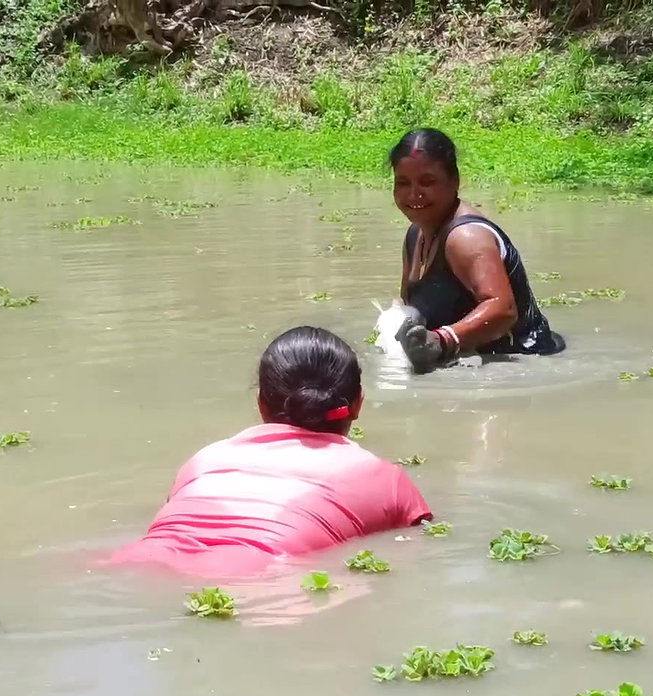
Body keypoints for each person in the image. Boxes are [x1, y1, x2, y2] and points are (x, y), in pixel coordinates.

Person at [107, 326, 432, 578]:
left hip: (133, 562)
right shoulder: (383, 478)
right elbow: (420, 547)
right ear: (358, 404)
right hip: (265, 580)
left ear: (261, 402)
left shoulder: (204, 460)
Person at [389, 127, 566, 373]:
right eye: (403, 183)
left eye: (428, 182)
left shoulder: (466, 237)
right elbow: (408, 301)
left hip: (524, 363)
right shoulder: (415, 234)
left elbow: (503, 310)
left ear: (455, 182)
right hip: (472, 361)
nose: (414, 194)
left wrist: (442, 341)